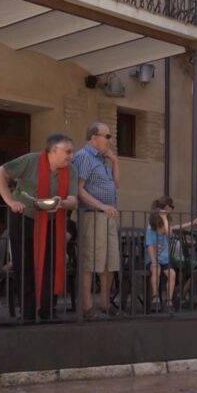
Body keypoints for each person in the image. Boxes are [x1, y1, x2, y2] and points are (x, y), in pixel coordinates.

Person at [0, 134, 79, 321]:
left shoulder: (70, 170)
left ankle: (47, 311)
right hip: (24, 217)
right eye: (68, 151)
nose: (72, 155)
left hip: (52, 220)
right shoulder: (30, 160)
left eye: (72, 151)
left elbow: (73, 200)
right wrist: (10, 201)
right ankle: (28, 313)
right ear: (53, 150)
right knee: (25, 264)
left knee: (51, 264)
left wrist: (61, 202)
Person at [74, 122, 121, 319]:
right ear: (93, 137)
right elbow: (78, 188)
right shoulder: (84, 156)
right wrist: (101, 206)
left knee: (110, 262)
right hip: (92, 216)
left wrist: (115, 162)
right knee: (91, 261)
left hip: (108, 216)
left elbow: (116, 185)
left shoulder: (103, 159)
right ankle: (86, 307)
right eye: (107, 136)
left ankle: (104, 303)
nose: (110, 140)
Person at [145, 197, 197, 312]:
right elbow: (149, 246)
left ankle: (169, 301)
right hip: (153, 259)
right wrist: (154, 261)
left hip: (164, 259)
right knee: (156, 269)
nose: (162, 232)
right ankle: (155, 298)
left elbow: (169, 232)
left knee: (172, 273)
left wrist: (165, 220)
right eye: (171, 207)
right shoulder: (151, 229)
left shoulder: (166, 226)